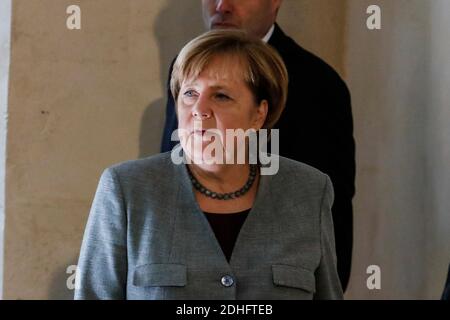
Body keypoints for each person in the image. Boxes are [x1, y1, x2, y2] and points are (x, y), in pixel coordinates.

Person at [75, 30, 343, 300]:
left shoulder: (309, 191)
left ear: (258, 114)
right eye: (189, 93)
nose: (199, 109)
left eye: (221, 96)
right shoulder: (127, 189)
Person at [161, 0, 355, 291]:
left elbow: (331, 215)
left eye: (222, 96)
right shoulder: (184, 66)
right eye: (189, 93)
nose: (222, 5)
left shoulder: (320, 85)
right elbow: (170, 173)